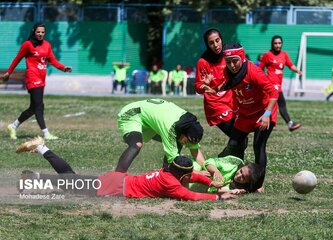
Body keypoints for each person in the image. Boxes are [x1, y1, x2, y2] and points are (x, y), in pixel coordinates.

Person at [16, 137, 237, 201]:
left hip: (119, 179)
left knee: (72, 181)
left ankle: (39, 161)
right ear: (183, 175)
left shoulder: (169, 173)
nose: (192, 177)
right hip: (116, 186)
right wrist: (218, 197)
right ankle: (40, 154)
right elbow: (191, 195)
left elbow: (195, 176)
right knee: (71, 184)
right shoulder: (171, 184)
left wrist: (212, 183)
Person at [202, 43, 279, 192]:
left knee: (258, 146)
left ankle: (257, 185)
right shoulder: (228, 71)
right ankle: (230, 172)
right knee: (234, 142)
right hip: (245, 114)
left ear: (242, 58)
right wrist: (210, 88)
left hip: (263, 113)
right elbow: (224, 85)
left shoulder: (254, 72)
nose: (232, 65)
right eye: (229, 61)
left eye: (235, 61)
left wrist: (267, 114)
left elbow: (274, 93)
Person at [2, 23, 72, 140]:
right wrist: (9, 72)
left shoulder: (47, 45)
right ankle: (46, 133)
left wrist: (63, 68)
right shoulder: (27, 44)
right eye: (38, 32)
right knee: (39, 106)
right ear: (34, 32)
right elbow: (17, 58)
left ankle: (12, 126)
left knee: (33, 108)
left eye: (43, 32)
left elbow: (52, 60)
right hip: (32, 78)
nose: (40, 34)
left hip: (41, 79)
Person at [116, 99, 208, 175]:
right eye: (187, 141)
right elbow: (174, 160)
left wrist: (209, 169)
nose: (187, 144)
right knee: (137, 144)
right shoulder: (170, 128)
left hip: (148, 121)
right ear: (183, 133)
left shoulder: (189, 126)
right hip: (132, 114)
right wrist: (199, 173)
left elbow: (196, 152)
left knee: (177, 143)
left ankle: (165, 176)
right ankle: (116, 177)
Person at [195, 28, 234, 138]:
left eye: (217, 40)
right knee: (238, 137)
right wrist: (205, 84)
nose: (216, 45)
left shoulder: (228, 55)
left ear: (221, 39)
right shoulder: (203, 62)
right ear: (207, 45)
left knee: (241, 139)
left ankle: (223, 155)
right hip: (216, 105)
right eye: (211, 43)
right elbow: (198, 87)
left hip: (232, 101)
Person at [260, 35, 302, 132]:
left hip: (278, 85)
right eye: (275, 43)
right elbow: (260, 69)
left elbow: (290, 65)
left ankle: (271, 124)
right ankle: (289, 123)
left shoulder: (284, 54)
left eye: (279, 43)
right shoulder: (267, 55)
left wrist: (298, 71)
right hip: (270, 85)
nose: (277, 45)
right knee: (280, 104)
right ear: (272, 44)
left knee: (274, 105)